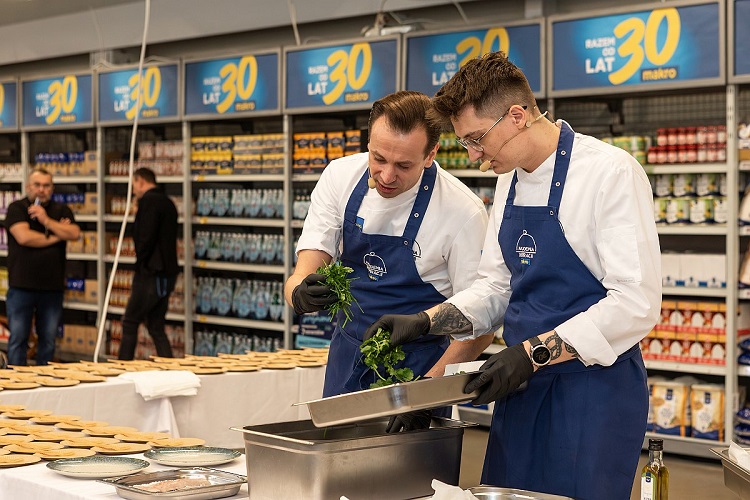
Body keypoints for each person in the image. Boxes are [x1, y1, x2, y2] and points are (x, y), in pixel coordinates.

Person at [364, 52, 661, 499]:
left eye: (477, 139)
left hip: (592, 392)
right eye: (465, 143)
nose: (474, 156)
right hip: (520, 387)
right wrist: (428, 321)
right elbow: (497, 287)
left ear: (517, 116)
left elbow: (635, 302)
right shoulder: (510, 179)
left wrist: (532, 353)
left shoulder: (610, 173)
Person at [284, 90, 493, 429]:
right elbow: (302, 272)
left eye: (403, 165)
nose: (386, 175)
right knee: (337, 458)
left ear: (431, 154)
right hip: (347, 356)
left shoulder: (461, 212)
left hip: (420, 369)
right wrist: (299, 294)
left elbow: (481, 325)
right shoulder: (339, 177)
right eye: (378, 158)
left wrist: (428, 392)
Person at [4, 168, 81, 366]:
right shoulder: (17, 208)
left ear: (52, 188)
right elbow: (24, 237)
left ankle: (45, 381)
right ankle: (17, 379)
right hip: (21, 286)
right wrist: (57, 234)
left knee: (48, 340)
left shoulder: (61, 210)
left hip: (52, 287)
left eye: (46, 185)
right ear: (28, 186)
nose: (41, 189)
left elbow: (74, 233)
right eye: (37, 185)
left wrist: (46, 221)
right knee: (18, 339)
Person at [118, 167, 178, 360]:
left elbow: (144, 238)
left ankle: (122, 367)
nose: (133, 190)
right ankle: (169, 367)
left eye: (134, 184)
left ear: (141, 181)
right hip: (168, 273)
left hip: (150, 273)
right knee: (155, 325)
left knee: (130, 321)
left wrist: (141, 263)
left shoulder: (148, 202)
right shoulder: (168, 202)